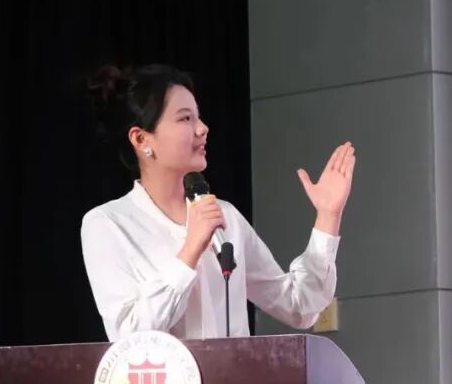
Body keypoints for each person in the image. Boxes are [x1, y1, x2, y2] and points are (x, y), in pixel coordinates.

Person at [80, 63, 355, 341]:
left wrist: (328, 215)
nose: (202, 128)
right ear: (141, 139)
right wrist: (191, 250)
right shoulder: (108, 224)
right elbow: (128, 336)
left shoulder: (225, 215)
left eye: (198, 117)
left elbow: (298, 307)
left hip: (237, 372)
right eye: (185, 119)